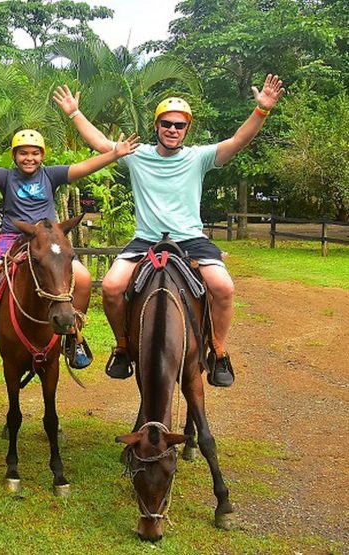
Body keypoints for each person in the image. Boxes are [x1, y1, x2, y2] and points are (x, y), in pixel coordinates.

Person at [53, 74, 285, 387]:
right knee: (110, 287)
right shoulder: (136, 154)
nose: (172, 130)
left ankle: (219, 350)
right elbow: (98, 143)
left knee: (224, 287)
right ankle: (122, 346)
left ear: (187, 129)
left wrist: (262, 111)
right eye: (166, 124)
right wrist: (74, 113)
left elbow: (237, 141)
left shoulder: (199, 157)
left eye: (179, 125)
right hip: (146, 240)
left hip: (190, 240)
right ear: (157, 126)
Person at [0, 128, 140, 364]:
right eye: (23, 153)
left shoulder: (51, 175)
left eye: (35, 153)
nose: (29, 158)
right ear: (14, 156)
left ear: (43, 155)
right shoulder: (5, 177)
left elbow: (84, 167)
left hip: (47, 240)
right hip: (11, 236)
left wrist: (114, 154)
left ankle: (74, 335)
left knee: (84, 278)